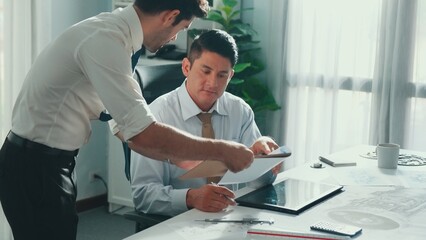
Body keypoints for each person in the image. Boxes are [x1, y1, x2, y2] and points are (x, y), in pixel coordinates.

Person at [0, 1, 255, 240]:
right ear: (170, 16)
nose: (175, 38)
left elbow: (121, 123)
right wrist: (222, 150)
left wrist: (175, 155)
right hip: (35, 166)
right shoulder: (105, 41)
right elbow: (142, 133)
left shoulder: (116, 37)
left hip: (51, 162)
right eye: (182, 28)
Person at [130, 29, 282, 216]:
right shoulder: (157, 116)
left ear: (231, 76)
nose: (213, 83)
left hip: (228, 218)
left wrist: (263, 159)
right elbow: (142, 195)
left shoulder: (239, 110)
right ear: (186, 67)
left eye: (221, 75)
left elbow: (259, 183)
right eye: (206, 71)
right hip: (177, 221)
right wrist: (190, 198)